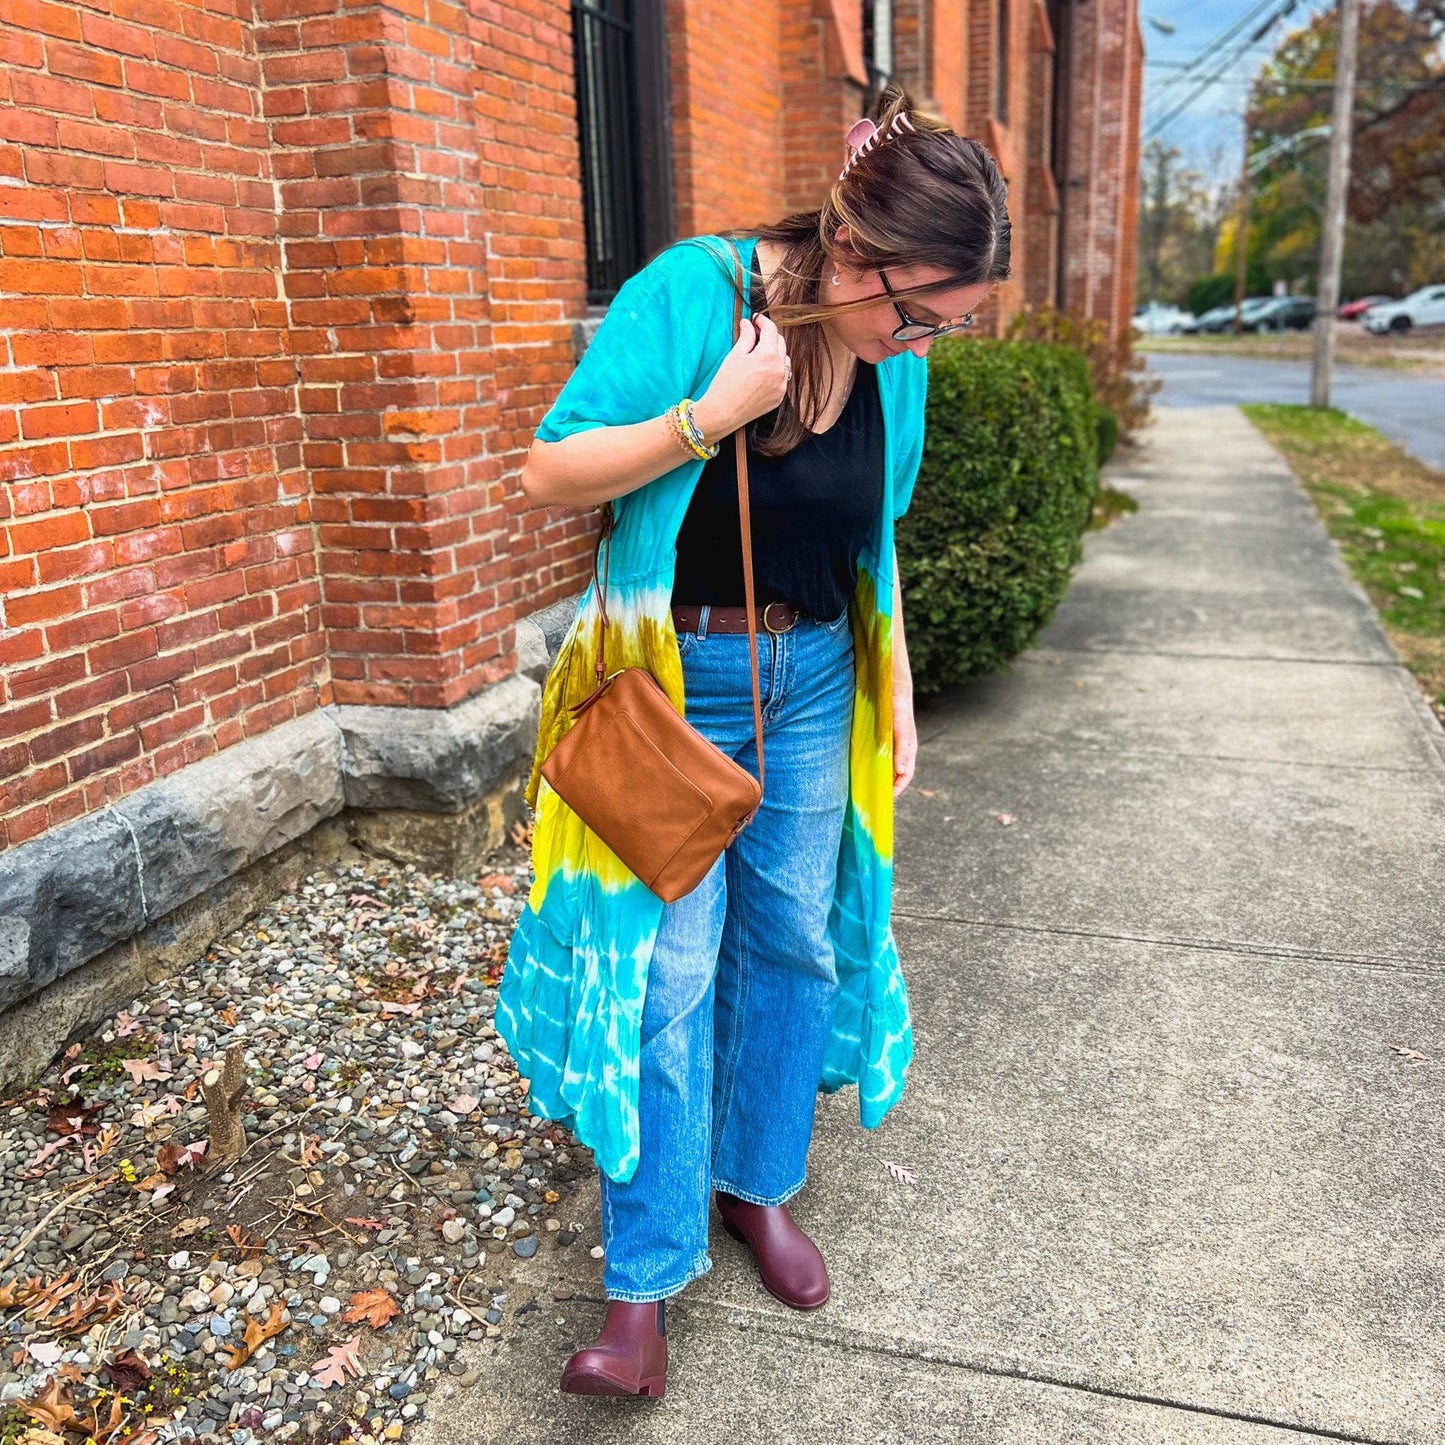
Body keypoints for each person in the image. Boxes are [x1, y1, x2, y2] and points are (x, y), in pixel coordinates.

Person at [497, 84, 1011, 1397]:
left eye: (942, 329)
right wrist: (705, 417)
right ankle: (641, 1286)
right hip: (674, 687)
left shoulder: (896, 362)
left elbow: (872, 535)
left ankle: (756, 1186)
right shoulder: (689, 295)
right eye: (917, 316)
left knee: (788, 940)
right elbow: (549, 471)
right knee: (659, 977)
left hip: (818, 674)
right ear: (855, 251)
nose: (918, 348)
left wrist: (890, 686)